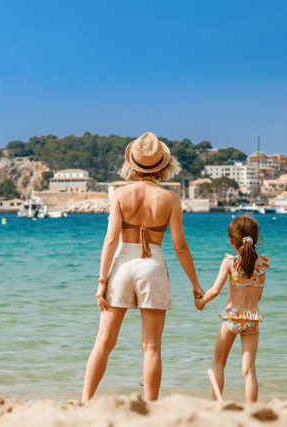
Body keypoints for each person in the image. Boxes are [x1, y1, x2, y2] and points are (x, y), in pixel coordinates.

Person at [82, 132, 204, 403]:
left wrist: (102, 281)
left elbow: (111, 239)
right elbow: (180, 247)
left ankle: (85, 402)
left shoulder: (120, 194)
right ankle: (150, 405)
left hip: (122, 263)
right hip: (154, 264)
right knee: (151, 347)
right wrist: (196, 285)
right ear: (163, 166)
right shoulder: (170, 199)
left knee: (104, 341)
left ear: (133, 164)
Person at [194, 215, 268, 404]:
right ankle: (252, 409)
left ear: (231, 240)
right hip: (252, 319)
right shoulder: (262, 264)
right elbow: (258, 295)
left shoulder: (230, 262)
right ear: (255, 238)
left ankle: (217, 403)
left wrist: (201, 302)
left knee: (219, 362)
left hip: (232, 318)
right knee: (249, 369)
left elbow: (215, 291)